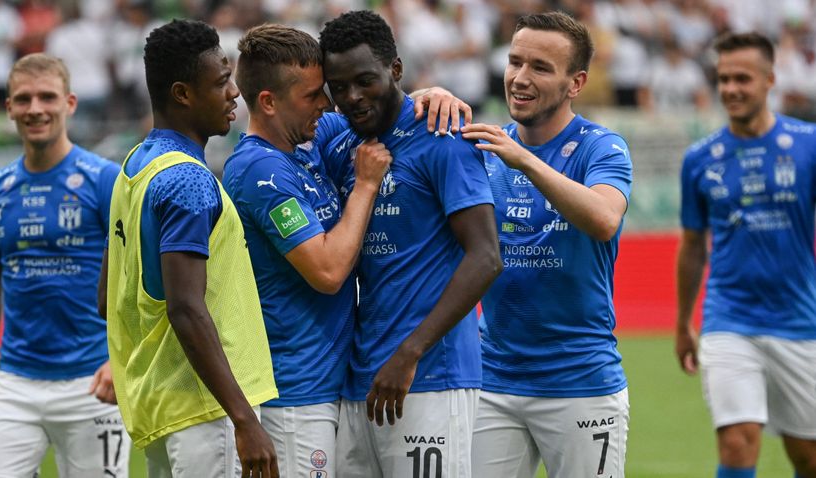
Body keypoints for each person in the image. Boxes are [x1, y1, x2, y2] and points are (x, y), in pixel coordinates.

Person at [224, 23, 473, 478]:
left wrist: (431, 94)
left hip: (341, 384)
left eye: (331, 91)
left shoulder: (310, 139)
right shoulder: (261, 169)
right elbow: (329, 271)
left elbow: (383, 103)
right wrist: (364, 185)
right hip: (295, 392)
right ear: (269, 102)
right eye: (318, 93)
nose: (331, 103)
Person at [319, 10, 502, 478]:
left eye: (364, 81)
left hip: (429, 375)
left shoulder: (443, 138)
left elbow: (485, 257)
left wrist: (411, 351)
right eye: (338, 88)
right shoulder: (345, 148)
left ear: (395, 70)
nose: (352, 98)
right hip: (360, 377)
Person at [100, 19, 279, 478]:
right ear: (182, 94)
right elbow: (185, 307)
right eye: (221, 82)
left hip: (159, 405)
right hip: (208, 412)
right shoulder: (188, 180)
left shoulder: (133, 168)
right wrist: (242, 418)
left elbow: (105, 297)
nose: (234, 93)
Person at [460, 11, 633, 478]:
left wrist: (525, 160)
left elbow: (603, 219)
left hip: (581, 380)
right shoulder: (485, 150)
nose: (519, 77)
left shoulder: (602, 147)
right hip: (493, 379)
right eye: (515, 61)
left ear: (575, 83)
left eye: (540, 67)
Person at [0, 53, 130, 477]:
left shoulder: (105, 179)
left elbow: (134, 278)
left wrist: (119, 357)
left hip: (92, 383)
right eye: (23, 99)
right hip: (15, 382)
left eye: (46, 97)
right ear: (8, 109)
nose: (35, 108)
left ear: (70, 103)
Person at [676, 31, 816, 478]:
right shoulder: (699, 159)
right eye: (723, 79)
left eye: (743, 78)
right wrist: (683, 321)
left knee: (807, 455)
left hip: (799, 321)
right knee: (737, 441)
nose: (731, 89)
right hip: (728, 319)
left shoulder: (809, 145)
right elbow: (693, 246)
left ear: (770, 79)